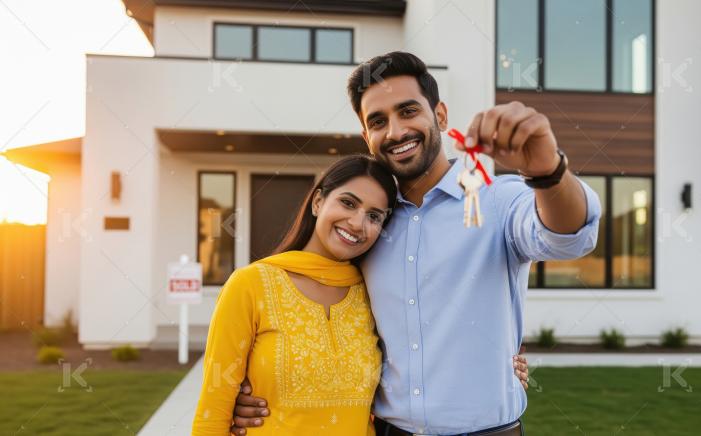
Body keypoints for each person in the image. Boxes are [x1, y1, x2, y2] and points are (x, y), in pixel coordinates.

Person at [232, 51, 602, 436]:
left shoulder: (497, 201)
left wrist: (547, 171)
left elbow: (569, 237)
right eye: (378, 121)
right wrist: (260, 388)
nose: (394, 132)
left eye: (408, 111)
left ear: (440, 116)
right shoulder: (367, 227)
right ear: (366, 137)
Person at [192, 155, 530, 435]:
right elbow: (213, 409)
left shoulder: (368, 292)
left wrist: (498, 367)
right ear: (318, 201)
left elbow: (412, 361)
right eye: (348, 203)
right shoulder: (251, 285)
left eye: (374, 216)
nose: (357, 223)